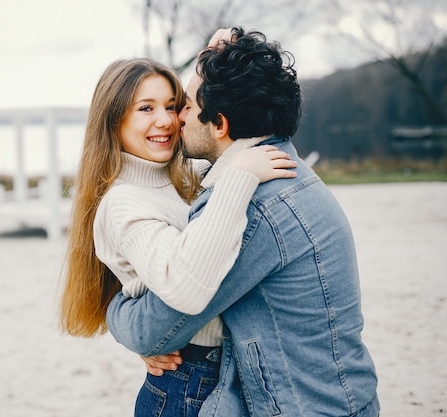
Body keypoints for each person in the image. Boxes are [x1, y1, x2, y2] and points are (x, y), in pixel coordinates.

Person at [106, 27, 380, 417]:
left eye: (184, 105)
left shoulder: (252, 205)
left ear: (219, 124)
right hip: (340, 398)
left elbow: (157, 329)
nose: (176, 118)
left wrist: (112, 310)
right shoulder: (286, 169)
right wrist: (224, 55)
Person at [58, 56, 297, 417]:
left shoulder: (181, 177)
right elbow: (181, 283)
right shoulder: (123, 202)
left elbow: (216, 132)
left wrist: (220, 52)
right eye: (146, 108)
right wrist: (240, 175)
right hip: (187, 383)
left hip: (219, 371)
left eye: (172, 106)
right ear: (113, 120)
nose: (167, 120)